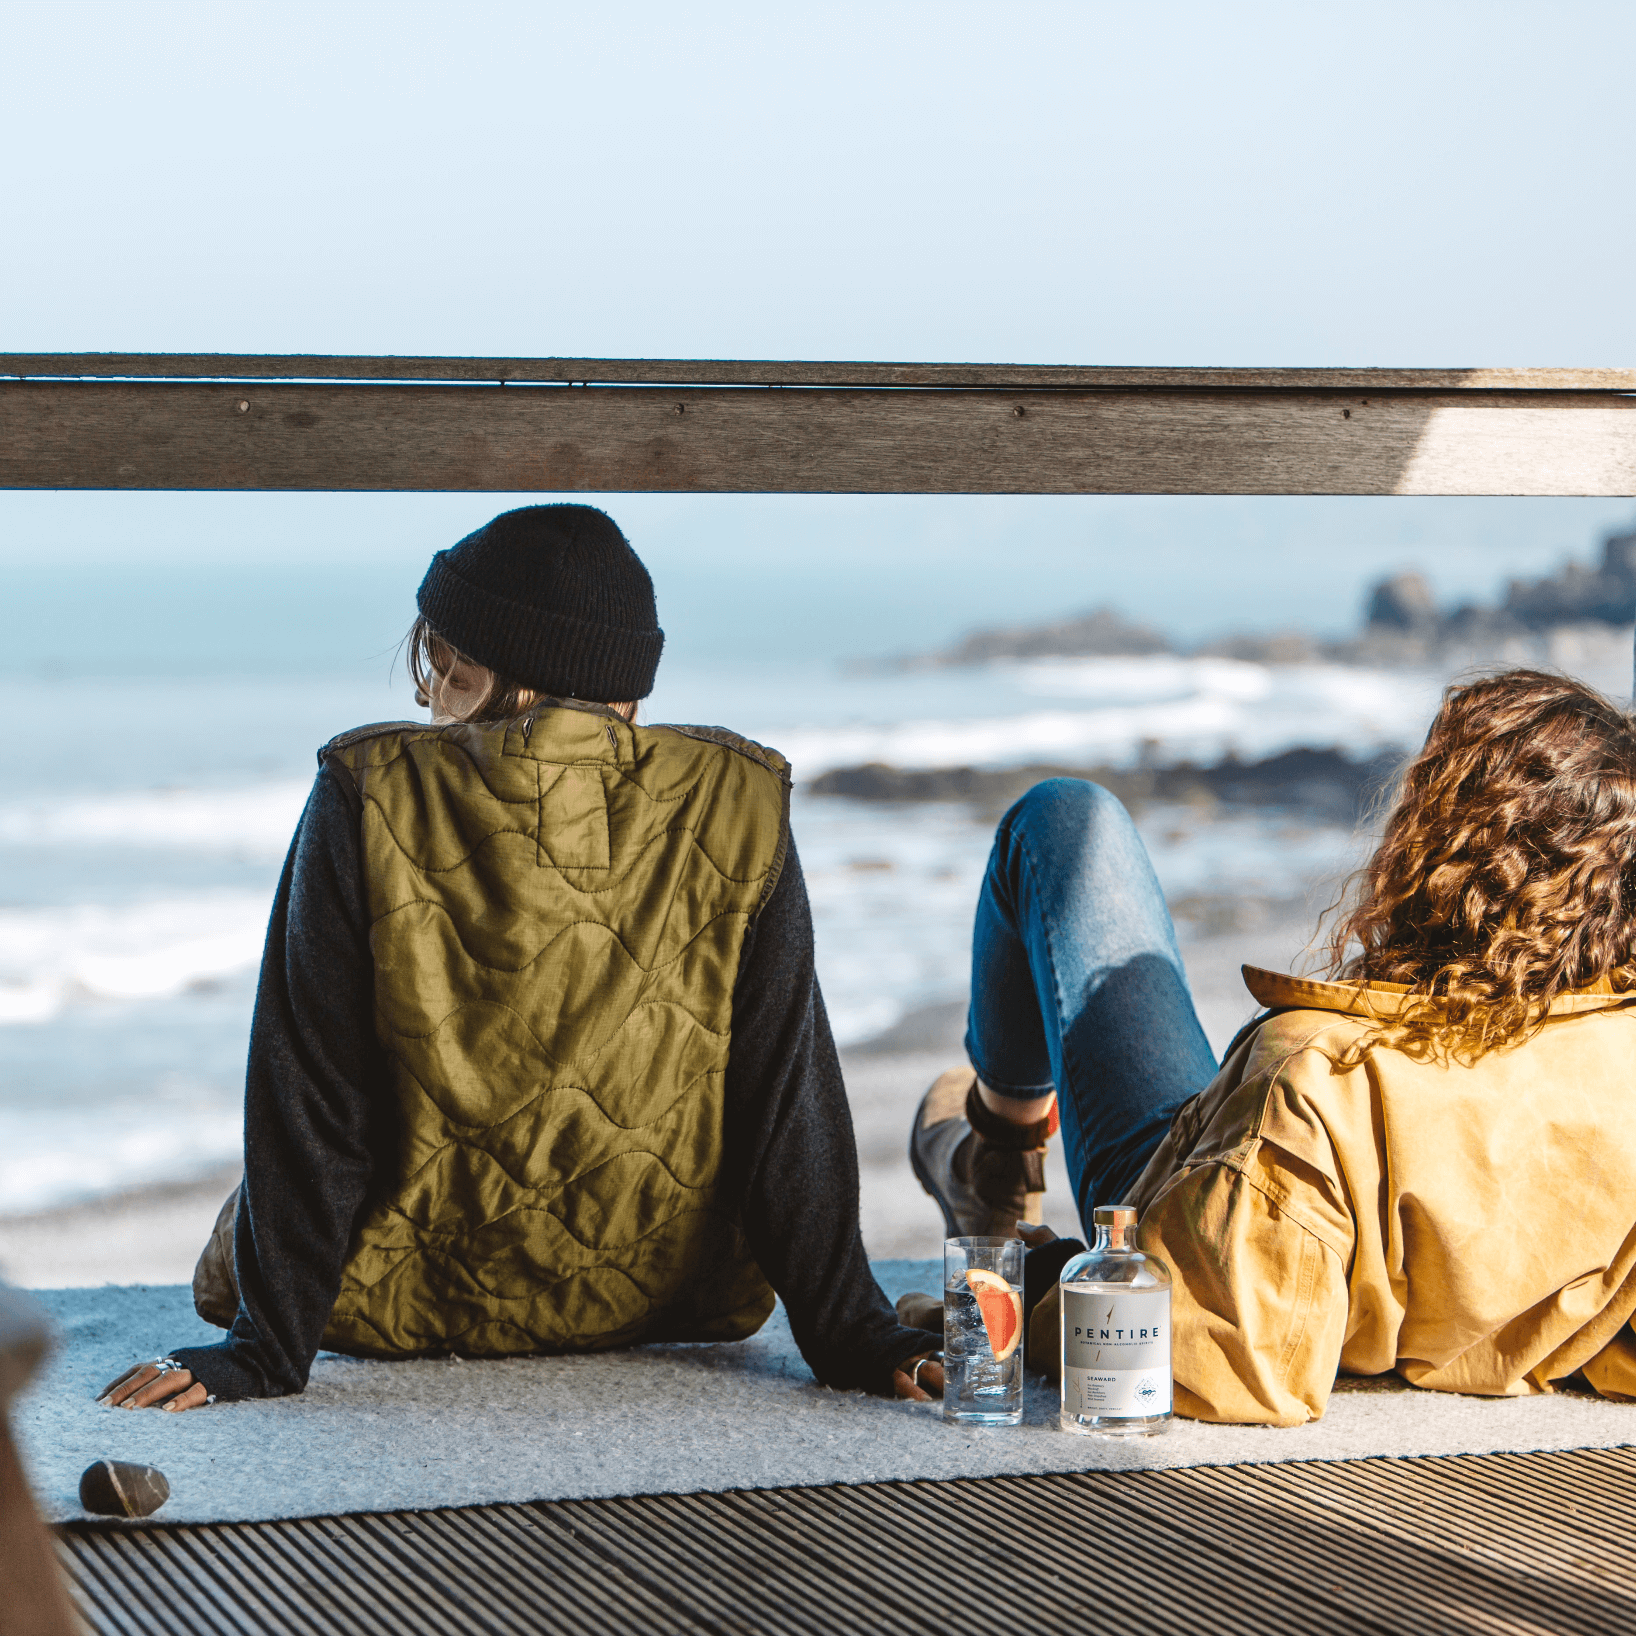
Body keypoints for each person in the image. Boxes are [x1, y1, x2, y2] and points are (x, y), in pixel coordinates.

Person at [99, 504, 941, 1413]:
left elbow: (310, 1095)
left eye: (445, 670)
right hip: (667, 1295)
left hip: (395, 1297)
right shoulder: (736, 800)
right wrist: (854, 1332)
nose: (429, 701)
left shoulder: (369, 790)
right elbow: (787, 1091)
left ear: (494, 674)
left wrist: (265, 1348)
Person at [910, 669, 1636, 1423]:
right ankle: (986, 1151)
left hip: (1207, 1194)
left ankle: (997, 1150)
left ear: (1439, 851)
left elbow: (1210, 1350)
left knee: (1062, 821)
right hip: (1296, 1194)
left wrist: (1040, 1285)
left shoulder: (1317, 1075)